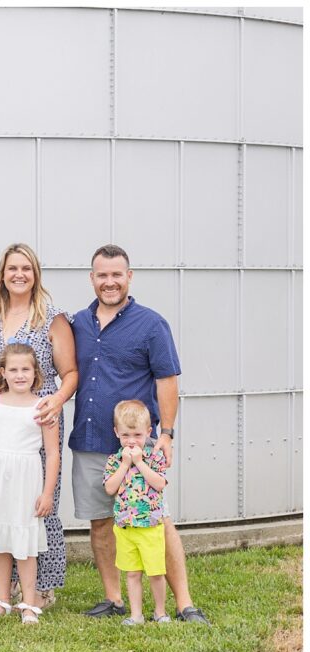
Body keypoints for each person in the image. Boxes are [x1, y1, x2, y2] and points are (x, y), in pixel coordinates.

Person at [70, 244, 209, 624]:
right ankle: (115, 599)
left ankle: (184, 605)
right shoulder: (78, 323)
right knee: (100, 522)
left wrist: (167, 435)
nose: (109, 282)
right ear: (92, 278)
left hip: (137, 445)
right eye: (102, 275)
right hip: (90, 439)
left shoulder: (151, 324)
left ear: (129, 277)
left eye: (117, 274)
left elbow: (167, 381)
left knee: (158, 521)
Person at [0, 243, 77, 608]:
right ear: (2, 275)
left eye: (26, 268)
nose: (19, 274)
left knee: (37, 500)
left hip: (38, 417)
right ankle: (0, 589)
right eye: (12, 269)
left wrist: (56, 400)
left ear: (35, 273)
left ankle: (40, 587)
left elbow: (70, 372)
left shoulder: (51, 318)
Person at [0, 343, 60, 624]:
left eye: (26, 369)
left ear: (35, 373)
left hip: (26, 478)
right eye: (14, 369)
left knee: (24, 541)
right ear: (3, 373)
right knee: (1, 540)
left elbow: (53, 452)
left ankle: (29, 604)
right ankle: (2, 600)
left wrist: (47, 493)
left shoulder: (43, 406)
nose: (20, 375)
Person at [102, 400, 170, 626]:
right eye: (125, 436)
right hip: (125, 528)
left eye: (137, 435)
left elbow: (159, 484)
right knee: (132, 573)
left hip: (150, 527)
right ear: (117, 433)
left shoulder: (155, 457)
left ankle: (160, 612)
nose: (131, 441)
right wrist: (124, 465)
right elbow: (110, 488)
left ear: (148, 432)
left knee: (156, 573)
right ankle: (136, 614)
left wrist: (139, 463)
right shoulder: (114, 461)